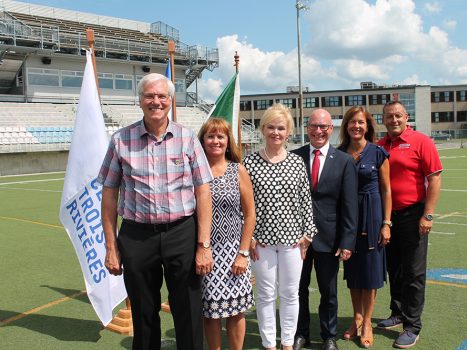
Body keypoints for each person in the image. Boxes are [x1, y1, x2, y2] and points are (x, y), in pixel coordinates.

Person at [99, 73, 214, 350]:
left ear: (171, 101)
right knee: (143, 310)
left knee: (187, 309)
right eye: (150, 96)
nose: (156, 101)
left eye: (162, 96)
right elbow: (109, 194)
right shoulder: (120, 140)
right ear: (140, 101)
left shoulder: (187, 139)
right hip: (137, 237)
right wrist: (112, 247)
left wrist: (203, 245)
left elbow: (203, 192)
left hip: (182, 233)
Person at [243, 103, 317, 350]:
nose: (276, 132)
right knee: (265, 295)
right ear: (263, 129)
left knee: (290, 294)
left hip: (292, 241)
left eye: (281, 128)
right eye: (271, 127)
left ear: (288, 133)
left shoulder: (297, 163)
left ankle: (287, 342)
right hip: (261, 242)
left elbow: (305, 200)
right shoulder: (249, 163)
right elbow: (243, 204)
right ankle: (268, 344)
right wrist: (249, 237)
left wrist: (307, 236)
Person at [376, 100, 443, 349]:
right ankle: (398, 311)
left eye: (398, 115)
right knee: (394, 268)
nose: (393, 120)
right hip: (388, 216)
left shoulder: (421, 141)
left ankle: (412, 325)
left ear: (406, 117)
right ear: (383, 119)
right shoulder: (380, 145)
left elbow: (434, 179)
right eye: (388, 116)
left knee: (414, 272)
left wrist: (428, 215)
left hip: (414, 214)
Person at [292, 108, 358, 350]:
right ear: (306, 128)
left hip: (329, 239)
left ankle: (329, 336)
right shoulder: (294, 157)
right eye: (313, 126)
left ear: (331, 129)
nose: (318, 131)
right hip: (297, 239)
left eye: (323, 127)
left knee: (328, 292)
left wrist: (347, 241)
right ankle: (300, 334)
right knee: (297, 290)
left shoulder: (344, 161)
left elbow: (350, 206)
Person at [197, 118, 256, 350]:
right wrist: (202, 248)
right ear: (202, 140)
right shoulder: (195, 170)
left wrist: (243, 253)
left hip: (234, 251)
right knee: (211, 311)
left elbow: (250, 215)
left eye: (220, 136)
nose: (215, 141)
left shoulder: (237, 170)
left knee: (236, 310)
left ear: (227, 140)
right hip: (205, 251)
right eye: (210, 136)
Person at [337, 106, 392, 349]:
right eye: (352, 122)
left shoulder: (378, 153)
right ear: (346, 126)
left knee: (370, 274)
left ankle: (367, 321)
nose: (356, 126)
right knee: (353, 273)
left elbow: (386, 190)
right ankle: (356, 317)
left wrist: (386, 224)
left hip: (372, 216)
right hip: (348, 219)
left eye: (361, 122)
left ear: (367, 126)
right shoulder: (338, 153)